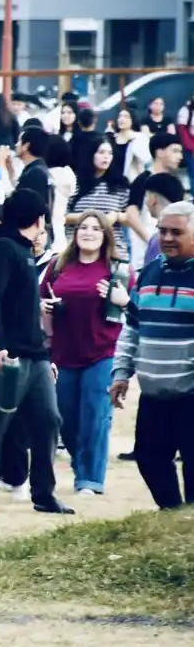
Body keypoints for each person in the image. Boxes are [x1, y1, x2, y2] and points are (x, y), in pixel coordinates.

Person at [0, 189, 74, 516]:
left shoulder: (20, 249)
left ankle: (44, 494)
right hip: (7, 355)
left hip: (35, 354)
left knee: (49, 421)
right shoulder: (2, 248)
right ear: (39, 219)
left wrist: (45, 356)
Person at [111, 202, 194, 508]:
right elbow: (132, 328)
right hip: (153, 392)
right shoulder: (149, 272)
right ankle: (173, 514)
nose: (167, 238)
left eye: (176, 232)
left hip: (190, 394)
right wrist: (121, 372)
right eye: (163, 231)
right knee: (149, 458)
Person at [40, 212, 128, 497]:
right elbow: (40, 297)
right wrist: (44, 307)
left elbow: (133, 308)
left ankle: (90, 479)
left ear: (105, 236)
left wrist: (119, 300)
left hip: (102, 353)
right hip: (63, 353)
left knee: (95, 416)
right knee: (64, 417)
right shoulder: (58, 266)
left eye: (96, 229)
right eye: (83, 227)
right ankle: (81, 465)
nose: (88, 233)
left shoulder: (117, 269)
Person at [127, 133, 186, 267]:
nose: (180, 156)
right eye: (175, 151)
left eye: (180, 152)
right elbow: (131, 215)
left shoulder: (176, 183)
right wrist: (151, 240)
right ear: (159, 152)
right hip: (144, 256)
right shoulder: (143, 180)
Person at [69, 139, 134, 262]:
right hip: (78, 250)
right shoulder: (75, 182)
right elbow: (62, 217)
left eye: (110, 153)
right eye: (101, 152)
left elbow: (130, 218)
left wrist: (116, 216)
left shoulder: (120, 184)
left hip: (113, 251)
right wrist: (91, 219)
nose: (106, 157)